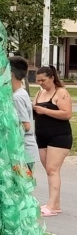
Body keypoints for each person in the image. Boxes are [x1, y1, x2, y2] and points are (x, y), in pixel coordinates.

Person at [33, 65, 73, 217]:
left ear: (51, 78)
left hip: (59, 136)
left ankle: (51, 205)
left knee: (52, 169)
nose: (41, 83)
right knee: (49, 171)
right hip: (42, 136)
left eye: (43, 80)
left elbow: (67, 113)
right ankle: (55, 203)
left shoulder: (60, 92)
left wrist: (45, 111)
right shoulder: (39, 93)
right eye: (38, 81)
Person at [9, 57, 37, 172]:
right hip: (25, 150)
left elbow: (26, 126)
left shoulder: (17, 97)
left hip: (23, 151)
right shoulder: (22, 92)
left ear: (10, 74)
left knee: (20, 187)